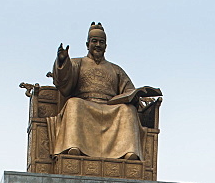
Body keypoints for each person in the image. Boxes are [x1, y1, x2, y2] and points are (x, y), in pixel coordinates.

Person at [47, 22, 160, 160]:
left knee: (128, 110)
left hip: (110, 106)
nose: (98, 45)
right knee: (73, 103)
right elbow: (63, 82)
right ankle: (73, 147)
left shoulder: (115, 69)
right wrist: (62, 61)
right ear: (87, 44)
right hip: (85, 104)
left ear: (106, 46)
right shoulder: (77, 63)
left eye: (101, 42)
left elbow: (129, 90)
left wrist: (137, 95)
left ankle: (129, 152)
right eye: (94, 41)